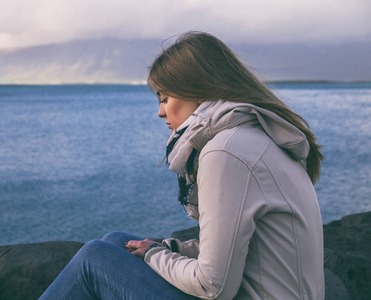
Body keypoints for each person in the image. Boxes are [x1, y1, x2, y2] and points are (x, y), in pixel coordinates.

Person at [39, 31, 325, 299]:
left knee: (95, 258)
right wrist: (171, 249)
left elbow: (214, 285)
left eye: (165, 98)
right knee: (116, 242)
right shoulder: (257, 137)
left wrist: (153, 255)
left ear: (198, 89)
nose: (160, 111)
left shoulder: (225, 151)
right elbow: (247, 251)